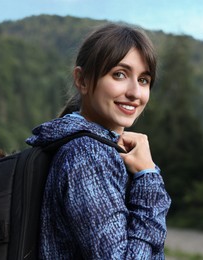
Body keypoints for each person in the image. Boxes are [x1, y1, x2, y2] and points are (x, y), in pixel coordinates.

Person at [26, 23, 171, 259]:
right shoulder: (87, 154)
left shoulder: (94, 147)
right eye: (119, 74)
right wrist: (148, 178)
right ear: (81, 80)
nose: (135, 92)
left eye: (144, 80)